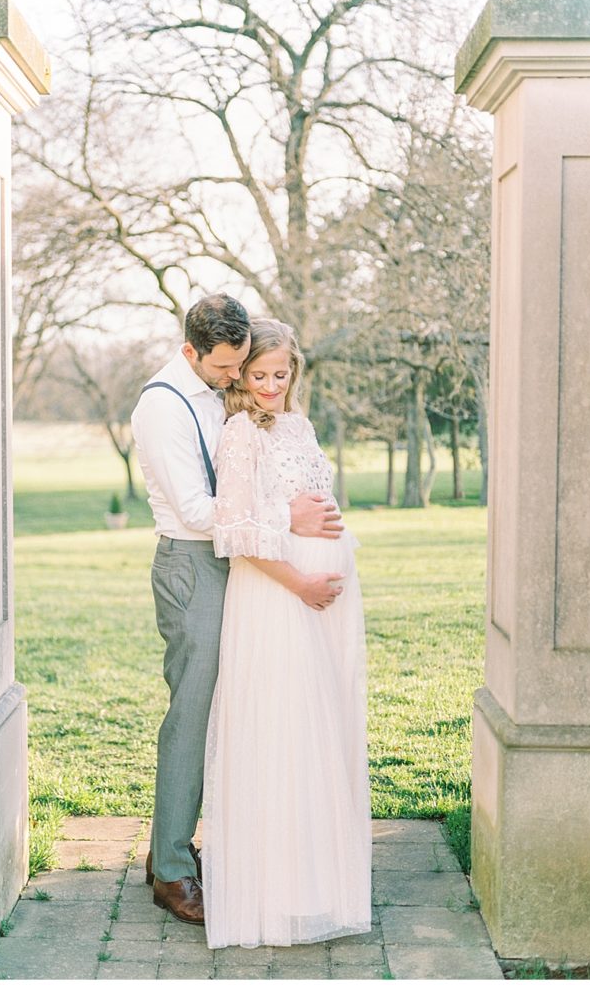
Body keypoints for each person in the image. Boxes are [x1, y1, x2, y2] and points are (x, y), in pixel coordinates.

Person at [131, 294, 344, 926]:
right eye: (226, 367)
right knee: (192, 714)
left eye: (240, 365)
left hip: (241, 561)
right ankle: (169, 870)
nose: (235, 378)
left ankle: (181, 845)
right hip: (193, 565)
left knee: (240, 706)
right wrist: (289, 517)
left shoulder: (217, 389)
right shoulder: (161, 408)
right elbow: (199, 511)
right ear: (190, 350)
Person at [203, 317, 372, 949]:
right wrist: (301, 582)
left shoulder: (298, 425)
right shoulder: (240, 433)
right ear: (240, 377)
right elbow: (238, 534)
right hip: (277, 598)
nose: (271, 386)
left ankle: (318, 884)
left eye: (281, 375)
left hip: (321, 602)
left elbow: (313, 502)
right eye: (259, 375)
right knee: (281, 730)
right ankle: (272, 895)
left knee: (319, 733)